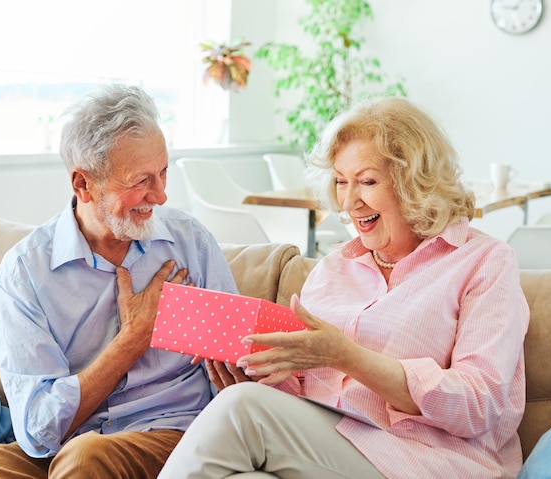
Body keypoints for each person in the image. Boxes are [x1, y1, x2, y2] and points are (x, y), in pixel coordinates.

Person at [158, 97, 530, 479]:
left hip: (425, 461)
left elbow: (478, 405)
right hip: (332, 451)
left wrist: (347, 357)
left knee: (242, 410)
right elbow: (304, 395)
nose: (349, 202)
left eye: (367, 181)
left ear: (414, 182)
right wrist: (259, 372)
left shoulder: (484, 261)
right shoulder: (335, 268)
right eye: (340, 182)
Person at [0, 84, 238, 478]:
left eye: (163, 173)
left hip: (167, 435)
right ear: (83, 184)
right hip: (59, 448)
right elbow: (36, 429)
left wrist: (247, 366)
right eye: (141, 181)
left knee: (86, 458)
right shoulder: (25, 271)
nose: (161, 196)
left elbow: (238, 366)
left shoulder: (189, 243)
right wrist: (131, 341)